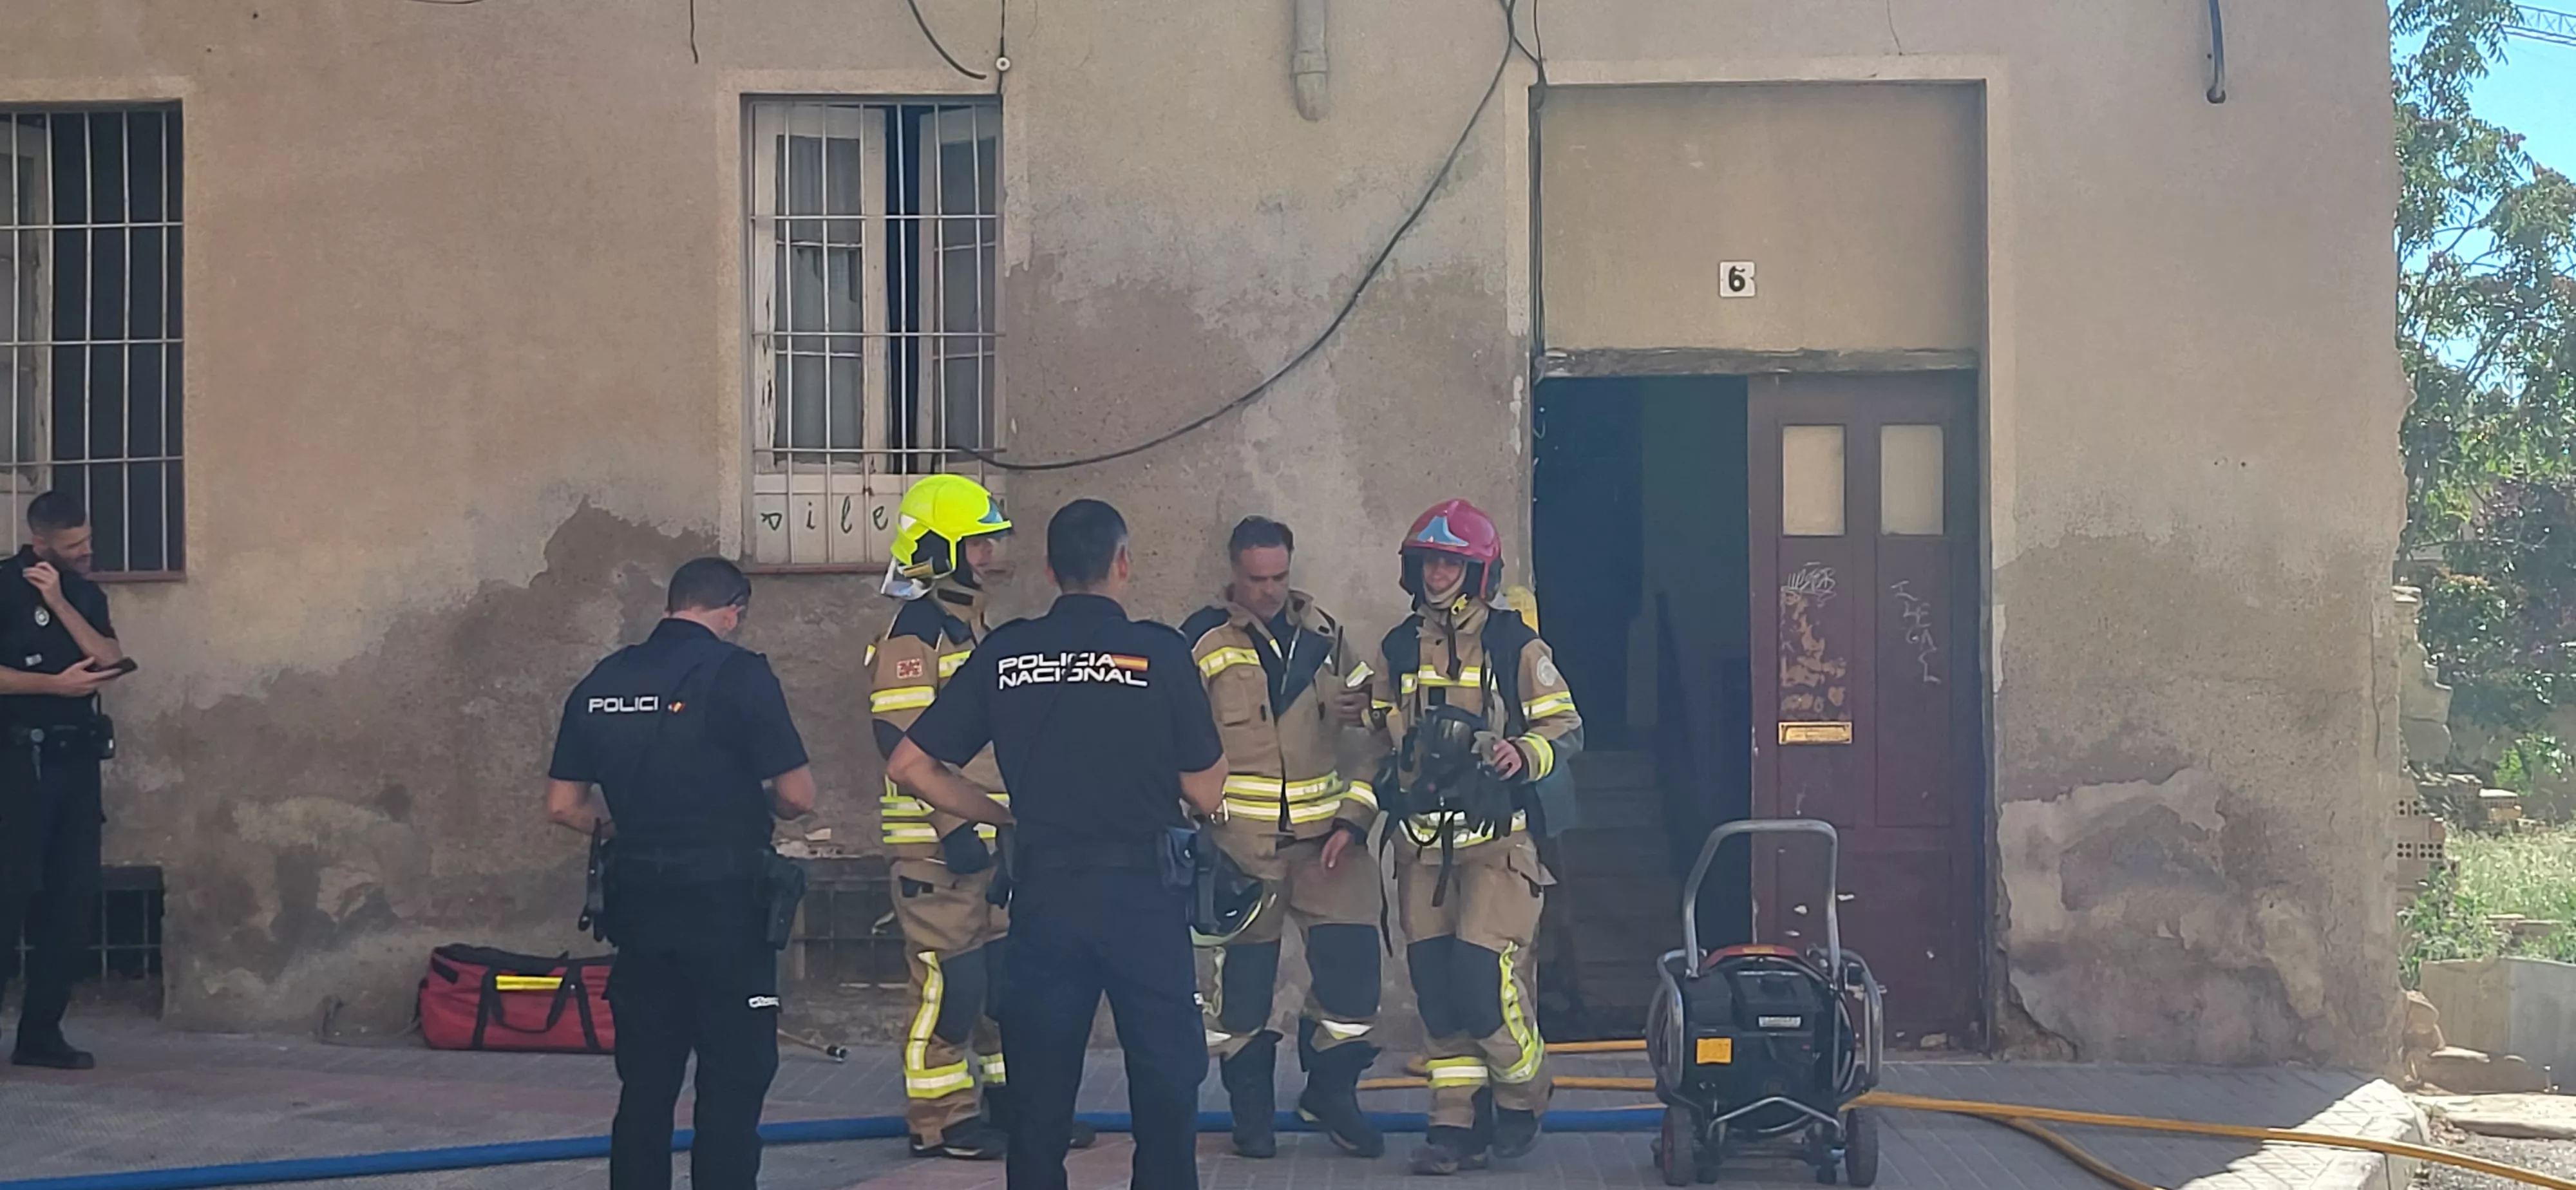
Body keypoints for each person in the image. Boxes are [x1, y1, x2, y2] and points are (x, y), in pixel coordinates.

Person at [887, 498, 1224, 1190]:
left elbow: (909, 765)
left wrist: (1001, 816)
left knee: (1039, 1097)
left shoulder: (1007, 651)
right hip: (1142, 901)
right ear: (1123, 564)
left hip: (1045, 898)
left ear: (1049, 570)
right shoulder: (1159, 651)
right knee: (1165, 1082)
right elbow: (1207, 791)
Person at [544, 558, 817, 1190]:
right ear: (733, 610)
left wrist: (625, 830)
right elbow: (798, 796)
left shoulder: (602, 680)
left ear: (671, 605)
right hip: (727, 911)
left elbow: (562, 806)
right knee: (732, 1080)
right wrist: (755, 808)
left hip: (639, 909)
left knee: (645, 1085)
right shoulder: (741, 675)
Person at [867, 475, 1090, 1160]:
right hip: (938, 854)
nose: (994, 553)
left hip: (992, 843)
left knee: (1001, 985)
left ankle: (1009, 1105)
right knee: (951, 987)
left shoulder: (972, 626)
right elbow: (899, 741)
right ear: (943, 550)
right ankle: (939, 1120)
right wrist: (953, 829)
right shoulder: (915, 634)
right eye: (981, 542)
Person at [1362, 498, 1582, 1175]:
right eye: (1429, 561)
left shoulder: (1517, 646)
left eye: (1450, 562)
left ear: (1475, 570)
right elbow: (1379, 722)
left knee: (1481, 981)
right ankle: (1453, 1122)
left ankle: (1522, 1096)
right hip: (1420, 847)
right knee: (1435, 989)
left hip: (1497, 842)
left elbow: (1565, 728)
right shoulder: (1399, 647)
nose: (1436, 574)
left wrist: (1521, 753)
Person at [1177, 516, 1382, 1159]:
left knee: (1353, 978)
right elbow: (1170, 742)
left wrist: (1354, 818)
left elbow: (1378, 728)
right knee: (1242, 992)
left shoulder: (1325, 636)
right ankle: (1251, 1113)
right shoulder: (1201, 642)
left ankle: (1331, 1092)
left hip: (1329, 845)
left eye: (1279, 577)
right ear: (1234, 573)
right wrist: (1192, 830)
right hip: (1240, 850)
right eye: (1256, 578)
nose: (1268, 591)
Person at [0, 493, 128, 1071]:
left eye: (86, 539)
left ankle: (41, 1035)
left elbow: (108, 657)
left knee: (72, 899)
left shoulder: (83, 591)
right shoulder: (2, 586)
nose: (86, 550)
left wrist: (60, 601)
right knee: (9, 896)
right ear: (40, 542)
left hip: (76, 766)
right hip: (17, 764)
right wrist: (51, 687)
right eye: (74, 544)